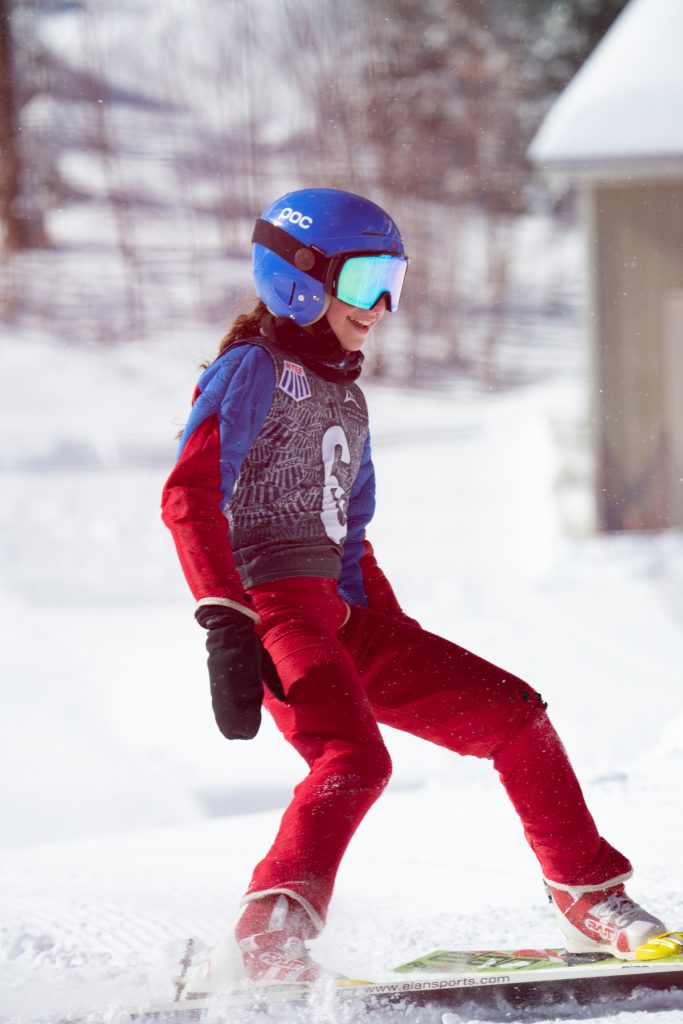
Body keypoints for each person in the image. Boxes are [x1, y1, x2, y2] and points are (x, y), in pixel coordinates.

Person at [161, 187, 666, 987]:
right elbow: (189, 496)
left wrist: (398, 641)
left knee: (513, 717)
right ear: (301, 277)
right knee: (351, 759)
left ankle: (589, 893)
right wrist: (226, 623)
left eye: (395, 280)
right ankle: (268, 934)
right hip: (273, 611)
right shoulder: (251, 368)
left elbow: (349, 540)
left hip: (338, 612)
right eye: (366, 283)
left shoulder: (346, 396)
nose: (384, 305)